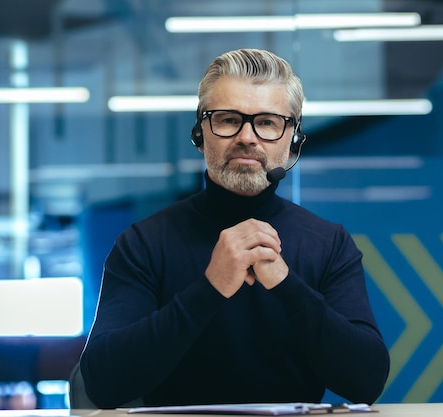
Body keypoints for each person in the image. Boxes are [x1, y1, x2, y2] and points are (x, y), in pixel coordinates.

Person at [79, 48, 390, 409]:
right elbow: (102, 384)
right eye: (228, 120)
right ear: (200, 133)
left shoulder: (329, 243)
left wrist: (288, 287)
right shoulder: (143, 243)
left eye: (268, 122)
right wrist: (211, 286)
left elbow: (367, 382)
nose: (247, 137)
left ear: (294, 142)